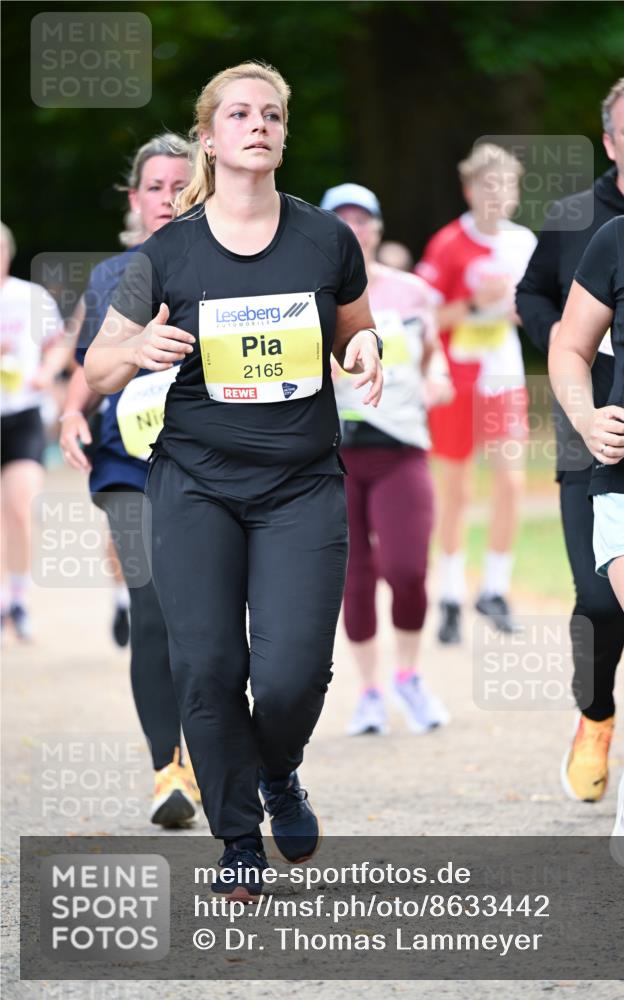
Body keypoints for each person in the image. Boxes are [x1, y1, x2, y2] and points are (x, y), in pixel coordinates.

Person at [84, 62, 382, 902]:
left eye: (272, 114)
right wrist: (135, 350)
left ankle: (277, 770)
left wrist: (366, 349)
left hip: (301, 486)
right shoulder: (168, 252)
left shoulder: (325, 239)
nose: (259, 125)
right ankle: (239, 840)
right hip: (196, 486)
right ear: (209, 139)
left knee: (292, 675)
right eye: (241, 114)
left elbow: (356, 330)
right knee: (208, 667)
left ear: (284, 134)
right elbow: (99, 366)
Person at [516, 76, 624, 804]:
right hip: (607, 441)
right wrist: (581, 343)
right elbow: (535, 299)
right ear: (612, 142)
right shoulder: (585, 223)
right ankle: (597, 716)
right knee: (601, 603)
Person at [59, 134, 200, 828]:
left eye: (180, 185)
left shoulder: (224, 262)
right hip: (127, 463)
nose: (167, 199)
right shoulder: (113, 275)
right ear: (134, 198)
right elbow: (90, 365)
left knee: (207, 615)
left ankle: (215, 752)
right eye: (154, 187)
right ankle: (167, 770)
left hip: (208, 461)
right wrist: (69, 414)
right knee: (150, 609)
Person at [321, 182, 451, 736]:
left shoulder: (413, 293)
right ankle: (370, 692)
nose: (354, 229)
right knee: (355, 577)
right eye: (342, 220)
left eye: (362, 219)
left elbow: (433, 357)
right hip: (336, 454)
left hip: (401, 446)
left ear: (377, 228)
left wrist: (438, 379)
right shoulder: (311, 294)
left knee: (407, 569)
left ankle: (408, 677)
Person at [415, 144, 536, 643]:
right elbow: (425, 317)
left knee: (511, 483)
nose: (497, 194)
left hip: (502, 378)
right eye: (488, 185)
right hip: (456, 381)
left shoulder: (524, 243)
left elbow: (533, 310)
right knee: (457, 491)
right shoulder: (448, 243)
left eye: (506, 185)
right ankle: (448, 595)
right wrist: (472, 303)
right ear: (469, 190)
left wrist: (522, 310)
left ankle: (495, 589)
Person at [0, 222, 69, 640]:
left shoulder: (30, 297)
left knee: (20, 509)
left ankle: (19, 599)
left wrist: (46, 372)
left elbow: (58, 344)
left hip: (22, 414)